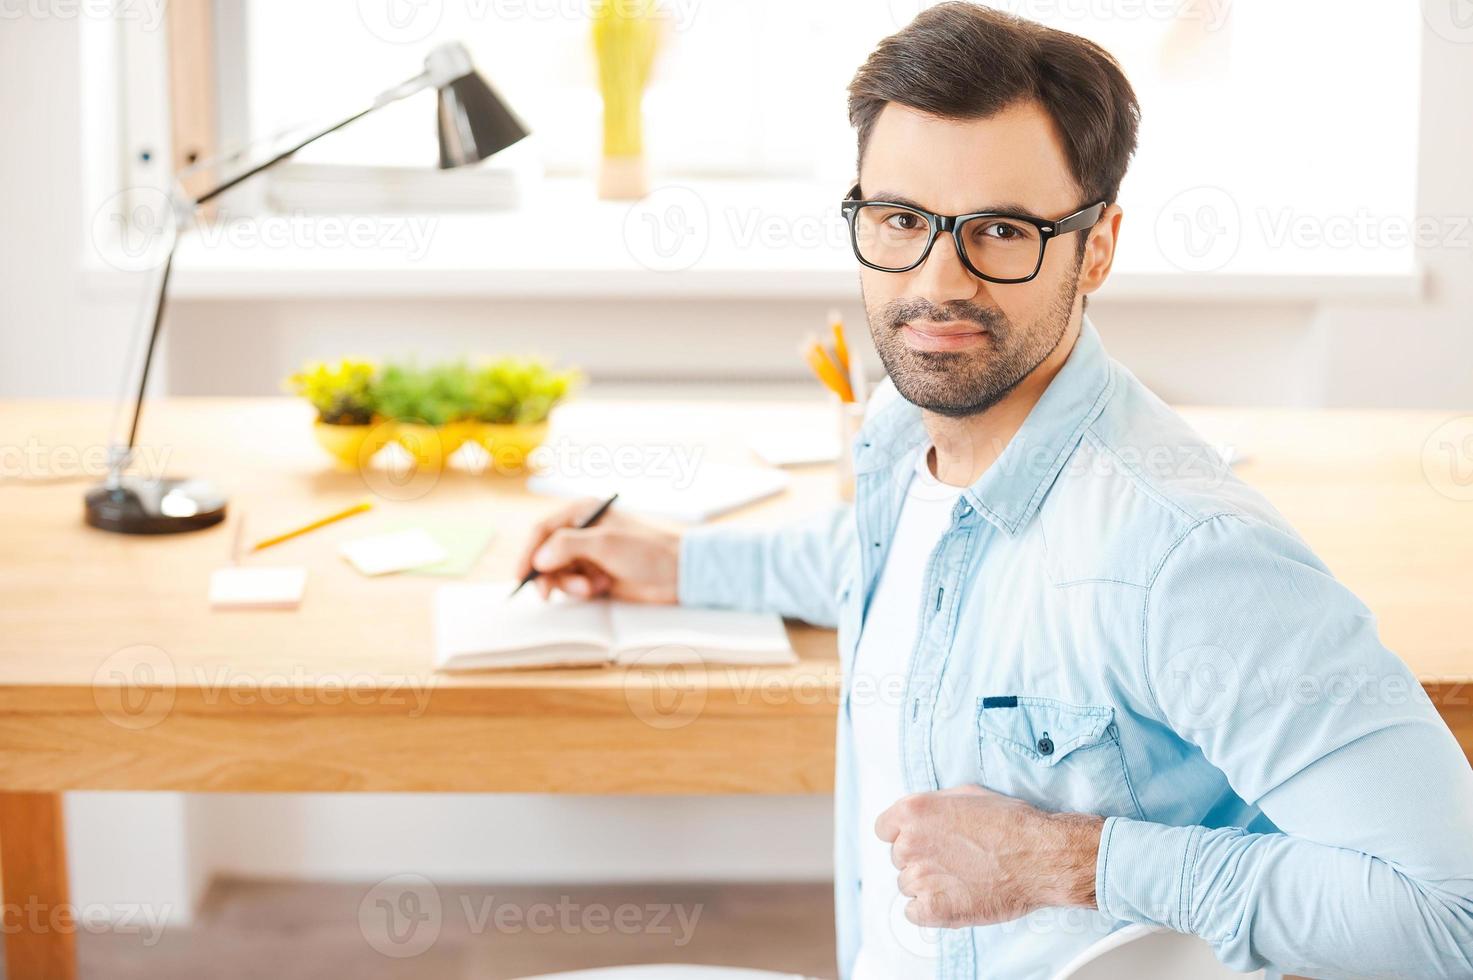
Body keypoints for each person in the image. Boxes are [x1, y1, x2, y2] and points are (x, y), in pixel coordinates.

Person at [517, 5, 1473, 977]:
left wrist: (1076, 860)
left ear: (1096, 246)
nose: (939, 279)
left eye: (1002, 230)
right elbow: (900, 565)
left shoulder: (1185, 554)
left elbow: (1450, 911)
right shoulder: (902, 437)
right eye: (901, 219)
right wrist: (678, 561)